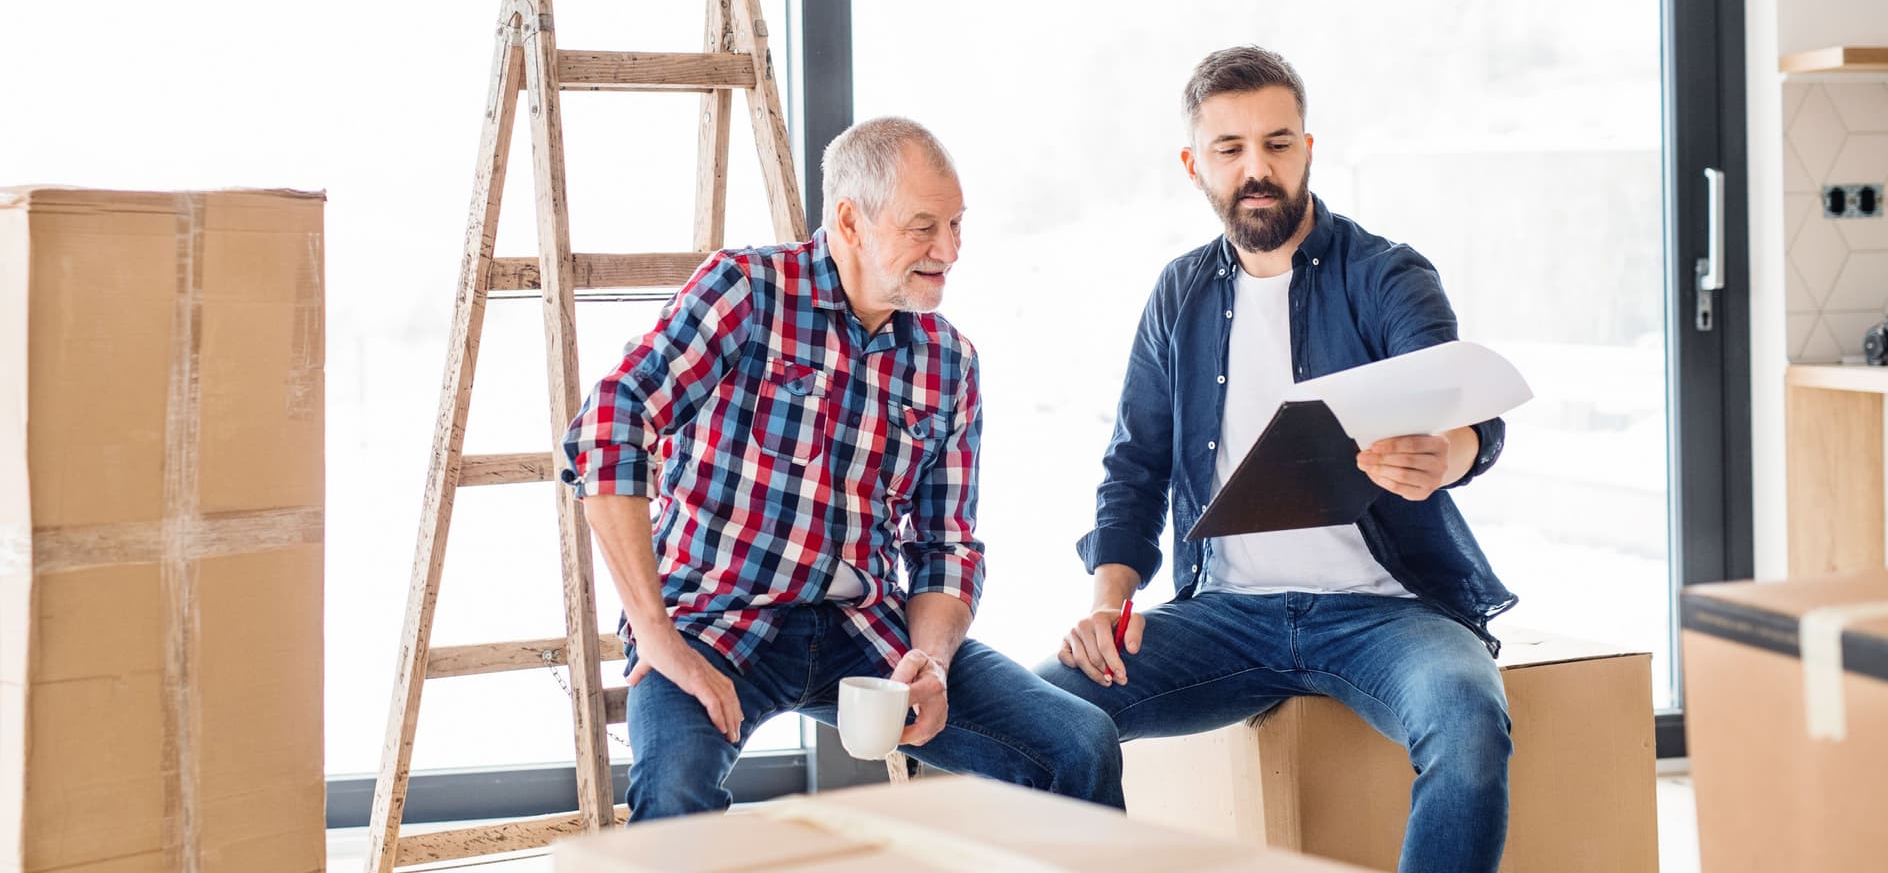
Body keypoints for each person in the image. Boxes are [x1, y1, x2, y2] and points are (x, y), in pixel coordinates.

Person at [1036, 47, 1517, 872]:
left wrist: (1448, 453)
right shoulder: (1178, 295)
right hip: (1225, 616)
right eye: (1230, 149)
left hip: (1388, 613)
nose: (1257, 169)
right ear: (1196, 165)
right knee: (1037, 710)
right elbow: (1135, 466)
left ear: (1308, 148)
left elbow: (1467, 409)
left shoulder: (1387, 275)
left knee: (1469, 723)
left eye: (1278, 143)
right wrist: (1108, 601)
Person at [563, 116, 1122, 820]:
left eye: (956, 225)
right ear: (850, 221)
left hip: (866, 632)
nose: (948, 250)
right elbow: (610, 426)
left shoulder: (950, 362)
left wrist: (933, 663)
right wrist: (654, 632)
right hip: (714, 619)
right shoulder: (746, 291)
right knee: (675, 796)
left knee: (1080, 743)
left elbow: (946, 548)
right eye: (924, 227)